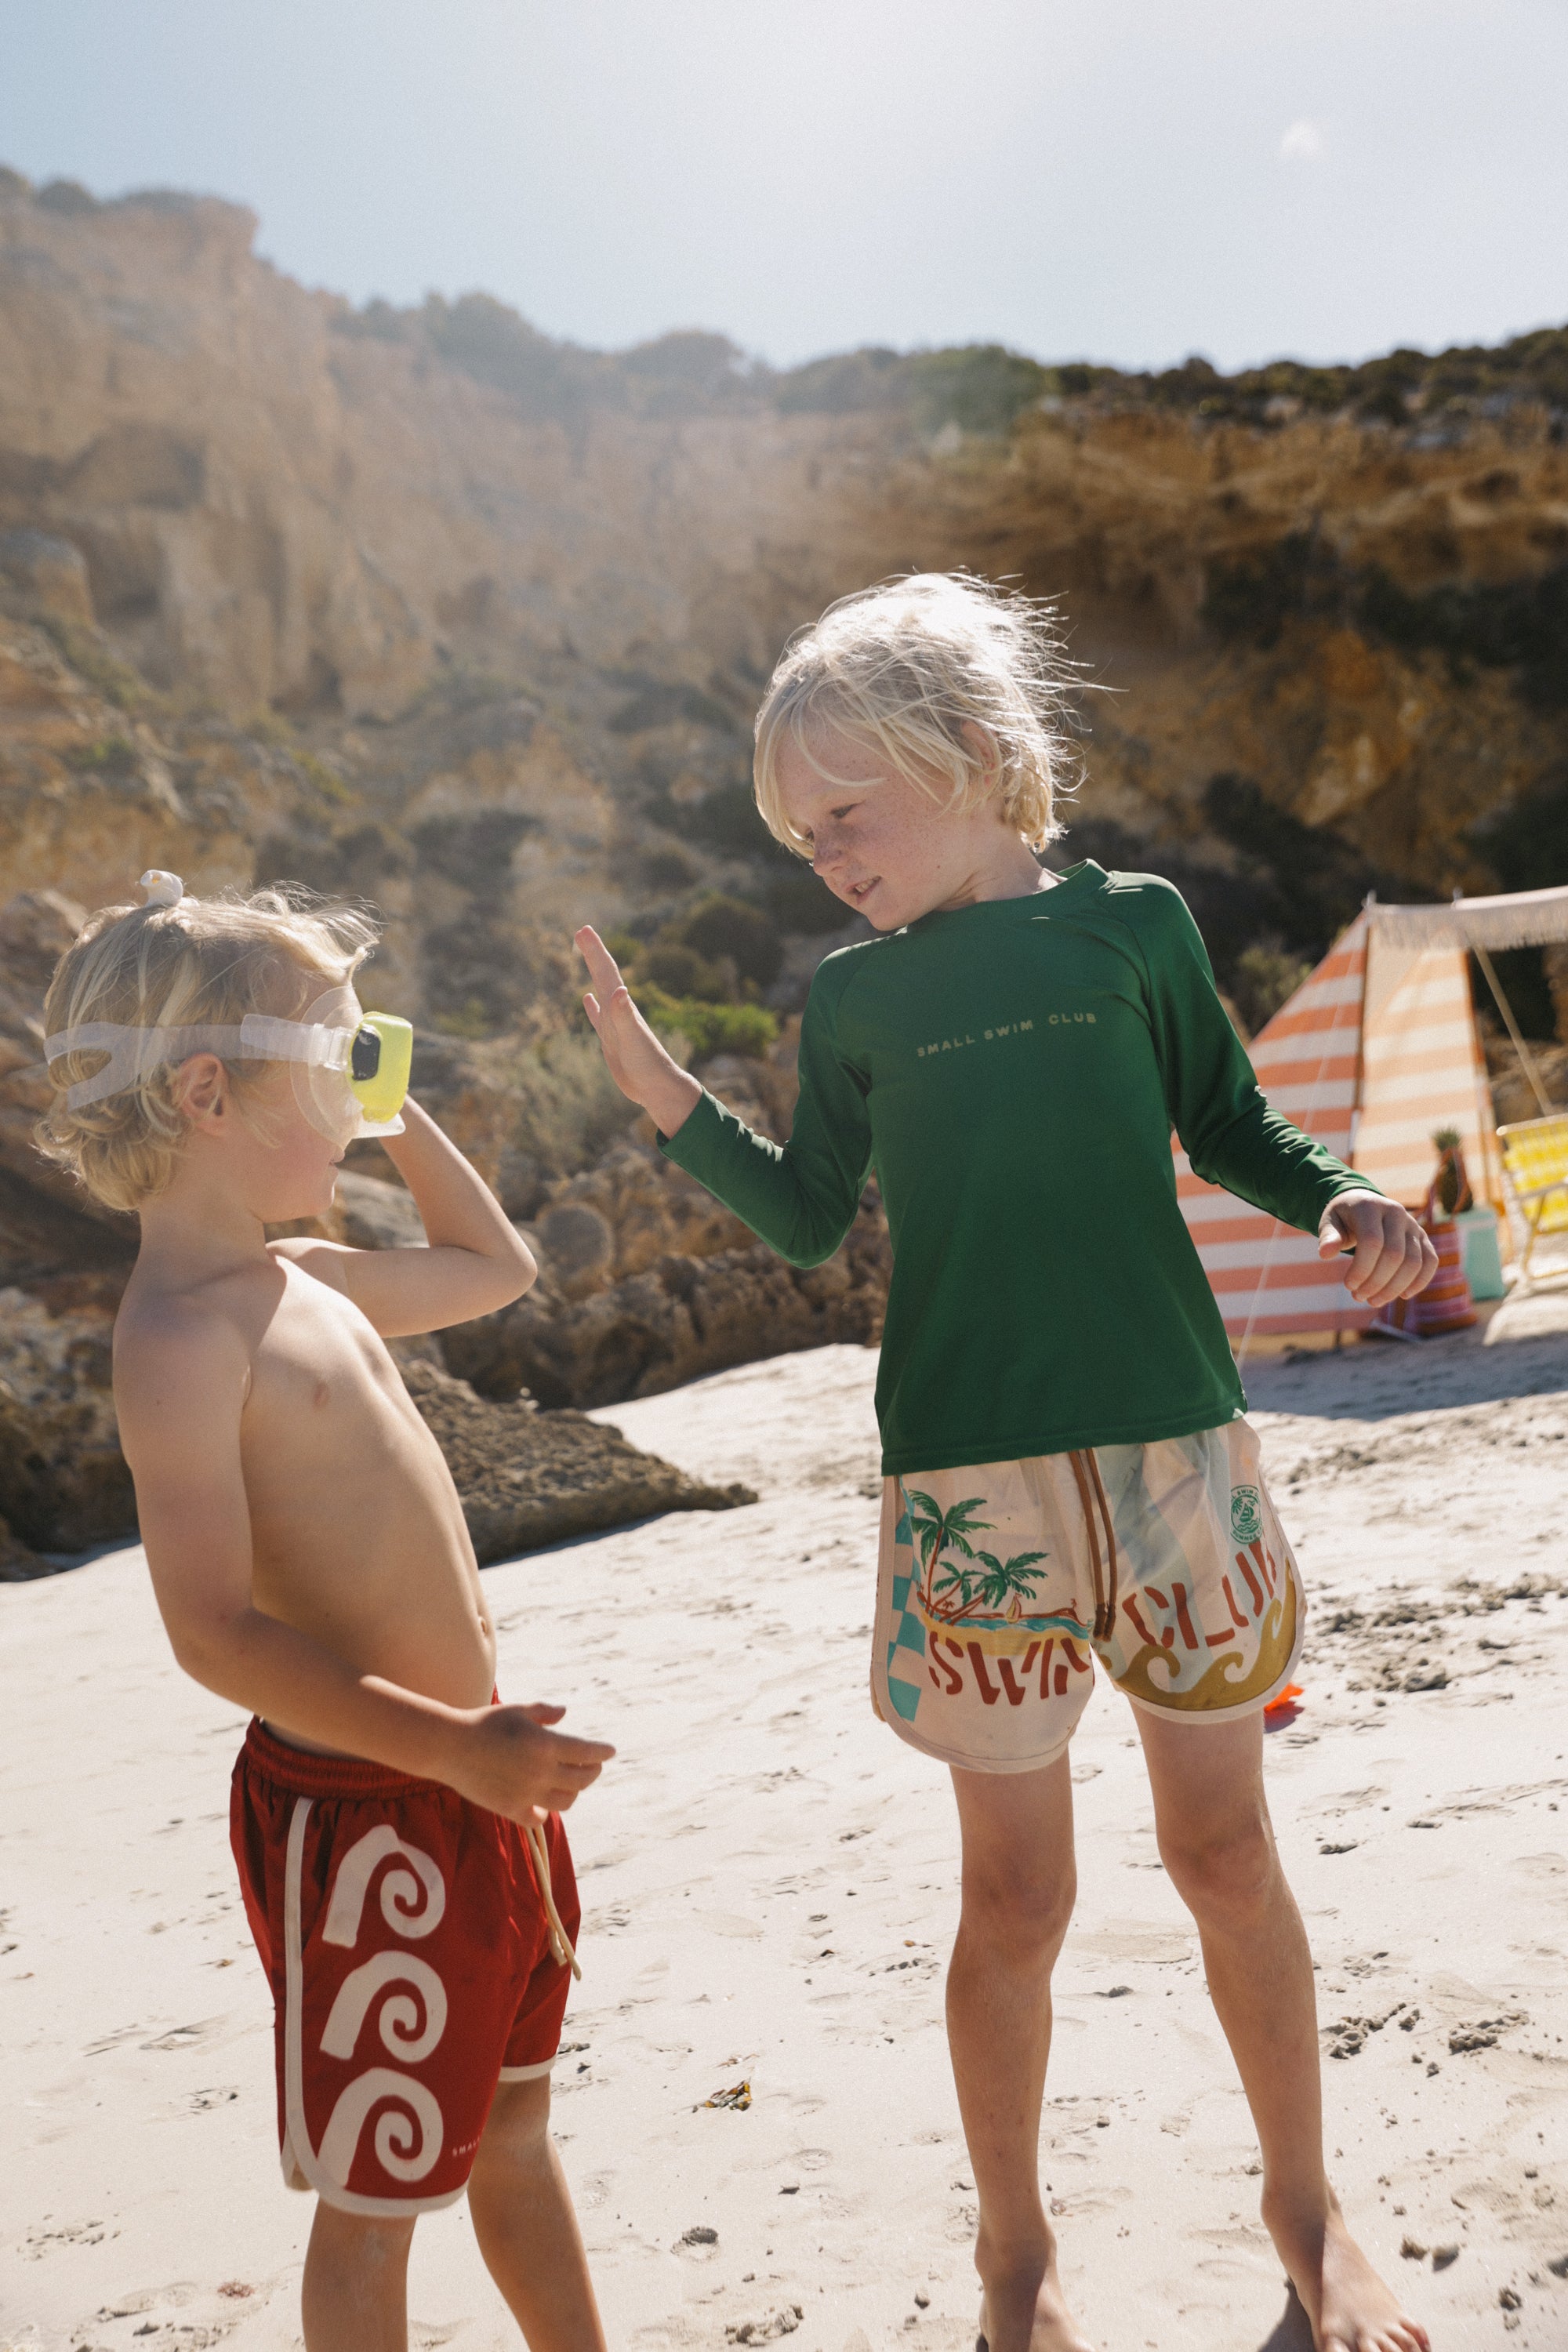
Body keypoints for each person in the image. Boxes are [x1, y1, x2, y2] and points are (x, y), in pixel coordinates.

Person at [575, 576, 1436, 2352]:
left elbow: (1227, 1118)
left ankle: (1306, 2207)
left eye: (844, 815)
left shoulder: (1132, 926)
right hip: (968, 1485)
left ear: (971, 758)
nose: (822, 857)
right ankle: (1014, 2256)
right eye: (797, 835)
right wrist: (662, 1093)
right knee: (1015, 1896)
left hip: (1173, 1449)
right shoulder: (857, 995)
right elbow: (808, 1220)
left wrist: (1338, 1193)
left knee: (1221, 1856)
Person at [39, 873, 614, 2352]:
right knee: (374, 2194)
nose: (362, 1081)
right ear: (212, 1093)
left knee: (508, 2136)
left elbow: (500, 1268)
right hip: (372, 1815)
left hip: (477, 1782)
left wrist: (389, 1104)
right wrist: (451, 1753)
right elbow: (211, 1632)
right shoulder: (177, 1339)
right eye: (338, 1057)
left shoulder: (305, 1274)